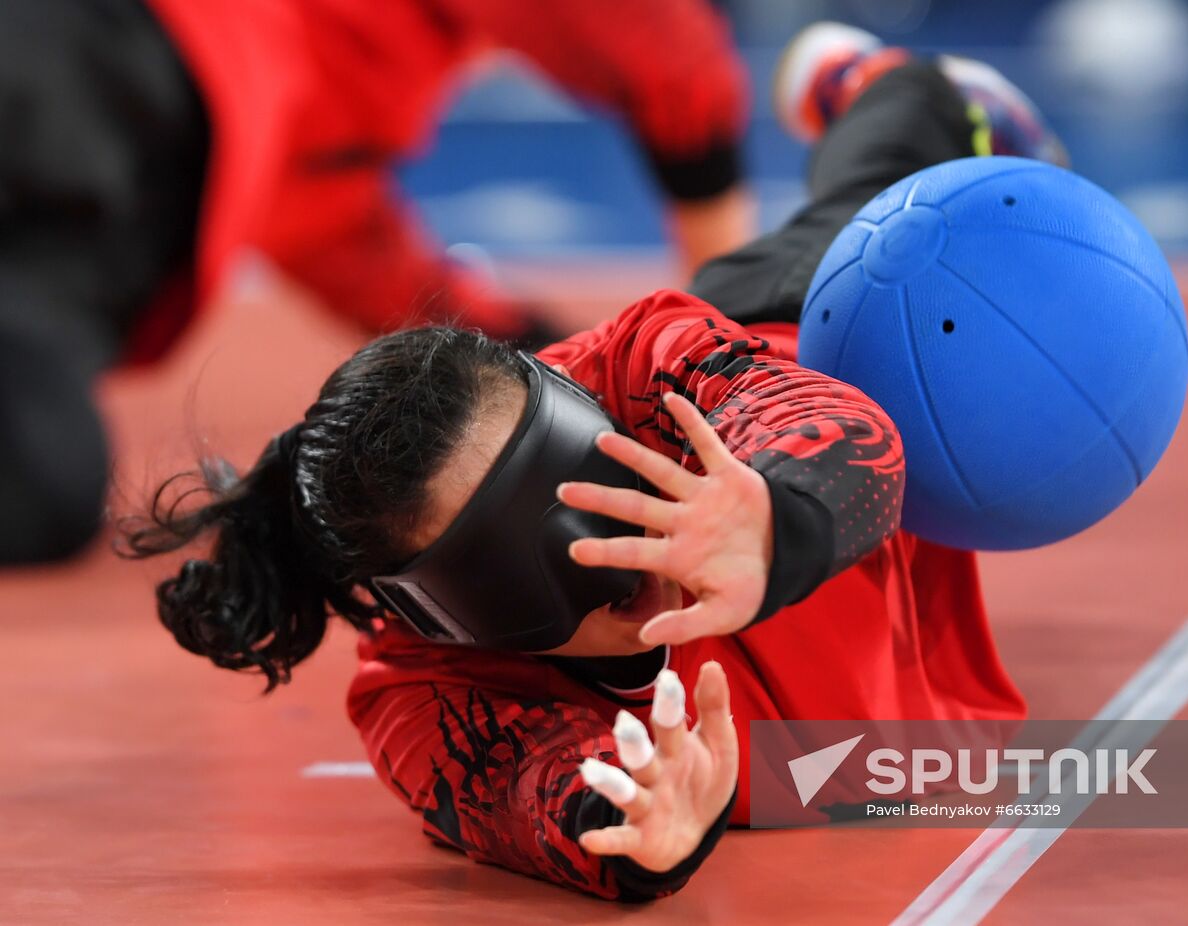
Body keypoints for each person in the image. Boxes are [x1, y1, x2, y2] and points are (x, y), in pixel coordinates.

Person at [122, 25, 1067, 901]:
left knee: (911, 148)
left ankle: (858, 81)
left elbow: (834, 425)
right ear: (444, 620)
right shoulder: (422, 698)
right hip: (897, 751)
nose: (620, 569)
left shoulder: (643, 361)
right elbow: (537, 798)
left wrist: (772, 521)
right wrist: (640, 828)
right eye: (531, 571)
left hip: (819, 323)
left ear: (578, 407)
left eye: (591, 494)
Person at [0, 0, 752, 564]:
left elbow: (345, 239)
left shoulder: (331, 85)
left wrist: (567, 377)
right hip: (110, 40)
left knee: (48, 479)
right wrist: (732, 337)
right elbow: (654, 49)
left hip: (91, 248)